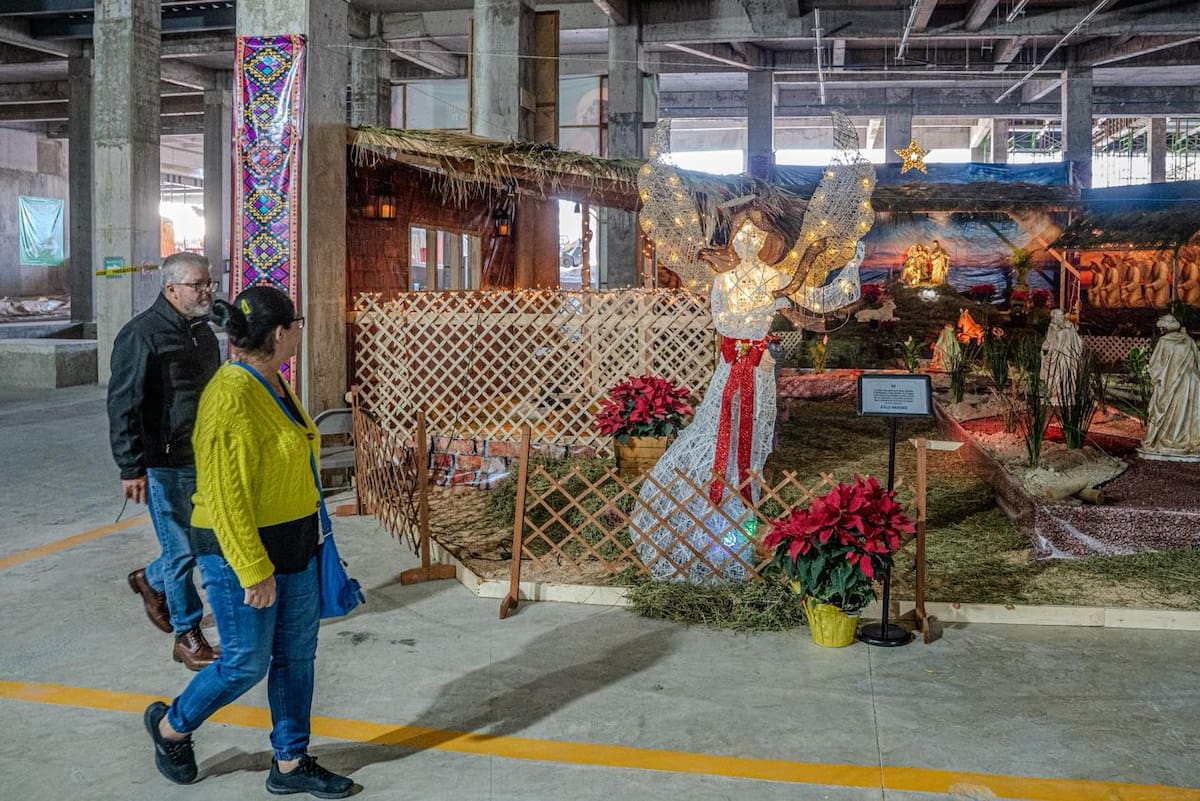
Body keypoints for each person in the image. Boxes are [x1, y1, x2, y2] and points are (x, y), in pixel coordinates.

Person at [143, 285, 355, 799]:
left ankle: (290, 761)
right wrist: (251, 568)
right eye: (298, 323)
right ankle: (172, 727)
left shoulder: (272, 383)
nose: (302, 331)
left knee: (296, 656)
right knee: (245, 662)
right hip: (241, 552)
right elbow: (224, 493)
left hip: (295, 545)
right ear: (281, 333)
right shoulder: (230, 397)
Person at [107, 251, 221, 670]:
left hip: (203, 457)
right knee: (180, 549)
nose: (207, 291)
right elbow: (123, 404)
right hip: (163, 461)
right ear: (171, 289)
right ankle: (187, 636)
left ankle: (148, 580)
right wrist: (131, 466)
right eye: (199, 285)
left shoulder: (203, 333)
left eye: (210, 283)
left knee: (197, 543)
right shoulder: (142, 335)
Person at [1141, 314, 1200, 460]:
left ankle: (1168, 438)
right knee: (1185, 413)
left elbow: (1155, 366)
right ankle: (1184, 440)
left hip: (1170, 383)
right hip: (1190, 382)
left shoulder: (1164, 342)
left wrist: (1157, 377)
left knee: (1170, 412)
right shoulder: (1188, 340)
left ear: (1164, 328)